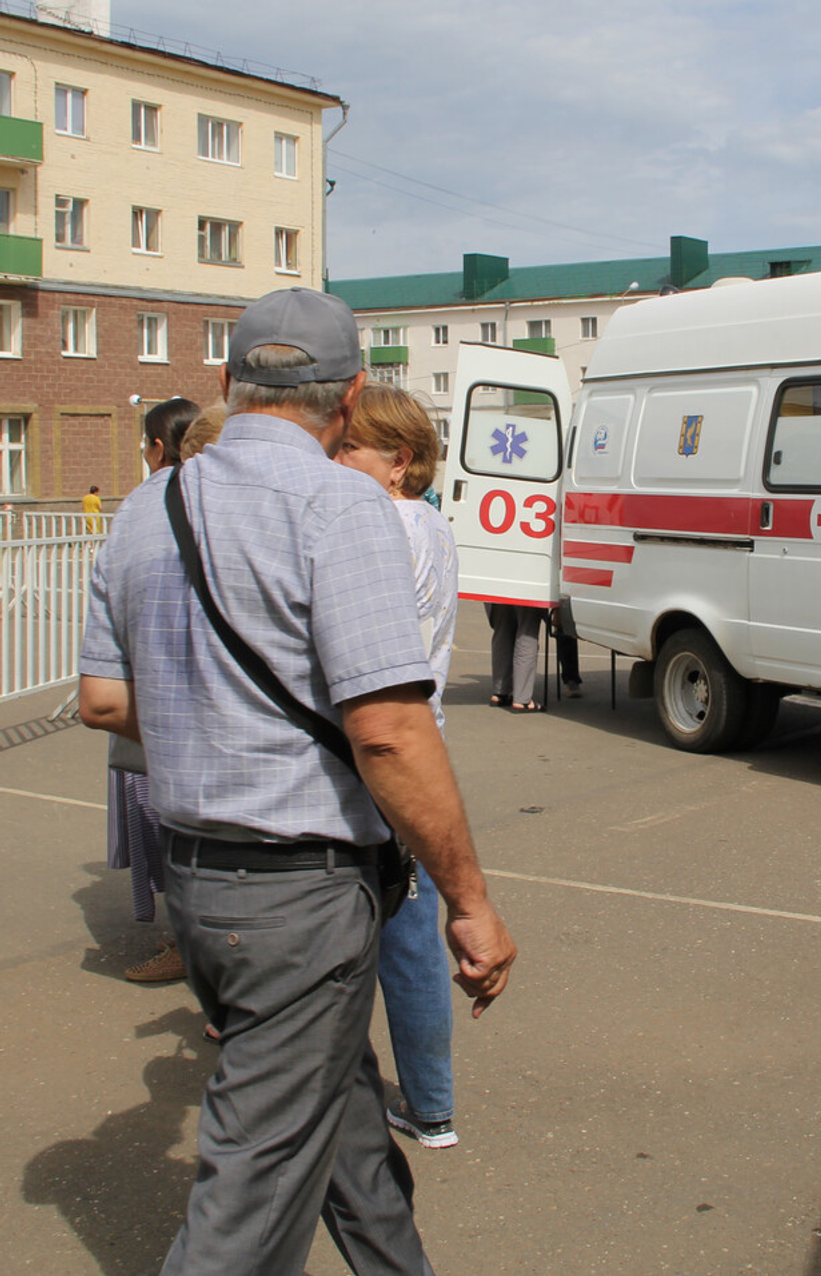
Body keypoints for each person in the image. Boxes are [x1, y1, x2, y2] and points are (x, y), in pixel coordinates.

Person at [78, 287, 516, 1275]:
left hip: (198, 883)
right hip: (300, 897)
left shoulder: (147, 507)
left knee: (348, 1133)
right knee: (248, 1202)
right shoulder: (341, 504)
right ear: (350, 393)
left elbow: (104, 698)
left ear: (227, 380)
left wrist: (215, 724)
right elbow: (390, 732)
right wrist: (470, 902)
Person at [335, 385, 461, 1149]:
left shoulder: (380, 526)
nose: (336, 458)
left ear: (398, 460)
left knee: (366, 937)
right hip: (423, 747)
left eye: (350, 447)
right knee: (411, 936)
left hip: (380, 754)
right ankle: (429, 1101)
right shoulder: (431, 523)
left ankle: (362, 1101)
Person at [115, 397, 201, 984]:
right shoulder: (217, 497)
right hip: (212, 694)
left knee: (168, 824)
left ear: (154, 447)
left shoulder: (145, 505)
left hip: (156, 693)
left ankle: (190, 946)